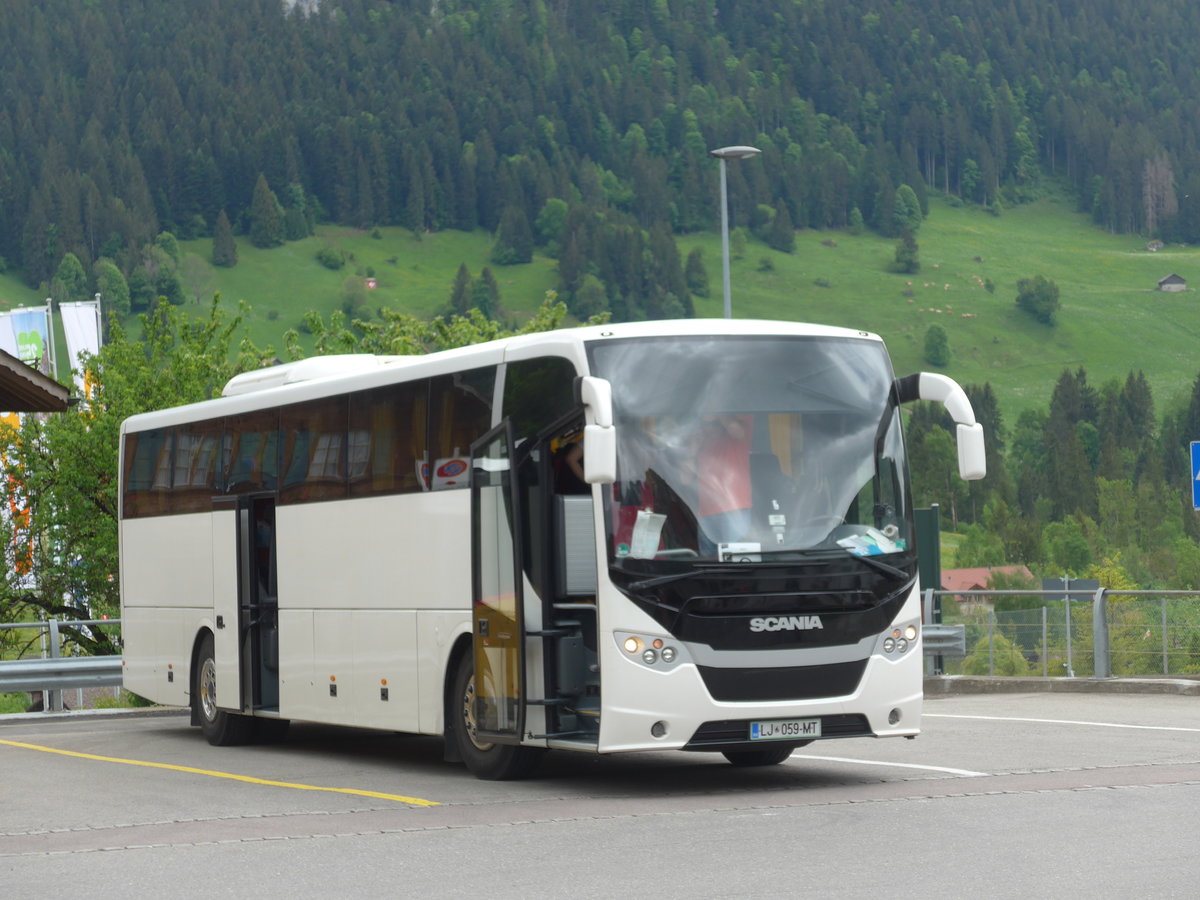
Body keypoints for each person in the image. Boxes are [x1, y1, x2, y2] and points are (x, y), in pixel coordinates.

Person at [691, 414, 753, 552]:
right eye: (705, 425)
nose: (709, 428)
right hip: (706, 512)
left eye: (713, 425)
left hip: (734, 510)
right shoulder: (702, 442)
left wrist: (716, 411)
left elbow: (736, 430)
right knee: (708, 564)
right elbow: (685, 478)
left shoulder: (739, 429)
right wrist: (692, 450)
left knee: (736, 563)